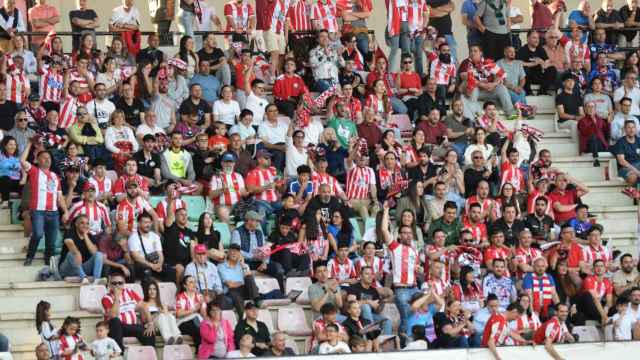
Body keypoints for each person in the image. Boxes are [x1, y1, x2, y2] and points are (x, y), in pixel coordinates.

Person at [21, 143, 68, 266]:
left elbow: (60, 197)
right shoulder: (35, 172)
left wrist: (66, 211)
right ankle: (30, 256)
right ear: (37, 160)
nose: (47, 159)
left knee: (51, 241)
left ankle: (48, 263)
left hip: (54, 212)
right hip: (38, 211)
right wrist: (30, 144)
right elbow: (22, 160)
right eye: (44, 157)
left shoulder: (55, 176)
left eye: (49, 158)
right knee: (37, 234)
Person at [102, 271, 155, 351]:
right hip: (117, 327)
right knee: (115, 321)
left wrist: (150, 323)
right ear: (110, 285)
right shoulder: (106, 298)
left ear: (124, 284)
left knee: (149, 333)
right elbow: (113, 315)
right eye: (114, 283)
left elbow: (144, 306)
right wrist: (116, 298)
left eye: (120, 283)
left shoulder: (129, 292)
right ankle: (120, 351)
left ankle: (150, 355)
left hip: (132, 326)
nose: (117, 285)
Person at [58, 214, 104, 284]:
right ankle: (84, 278)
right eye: (82, 223)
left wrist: (85, 235)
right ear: (76, 224)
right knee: (72, 254)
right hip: (67, 268)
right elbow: (69, 243)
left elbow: (94, 252)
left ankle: (96, 279)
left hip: (82, 268)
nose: (85, 225)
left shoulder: (90, 236)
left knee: (99, 255)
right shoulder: (69, 232)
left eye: (87, 223)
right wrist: (76, 253)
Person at [218, 244, 261, 317]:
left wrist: (243, 265)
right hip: (231, 291)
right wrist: (241, 283)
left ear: (239, 254)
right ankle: (242, 317)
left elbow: (250, 279)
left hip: (244, 290)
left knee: (249, 277)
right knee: (235, 293)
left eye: (236, 251)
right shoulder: (221, 266)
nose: (234, 253)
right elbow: (230, 285)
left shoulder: (243, 265)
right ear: (228, 253)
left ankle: (256, 300)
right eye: (232, 251)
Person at [141, 280, 183, 345]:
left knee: (170, 316)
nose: (152, 291)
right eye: (150, 289)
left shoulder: (162, 304)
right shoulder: (144, 304)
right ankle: (168, 338)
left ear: (157, 291)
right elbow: (144, 320)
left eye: (154, 289)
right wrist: (158, 313)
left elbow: (167, 316)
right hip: (152, 326)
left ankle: (177, 336)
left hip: (164, 325)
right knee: (161, 316)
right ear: (146, 291)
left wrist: (164, 311)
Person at [176, 275, 207, 348]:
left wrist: (202, 305)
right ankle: (202, 350)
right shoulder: (181, 297)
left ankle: (200, 349)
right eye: (191, 282)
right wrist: (193, 310)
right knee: (198, 327)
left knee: (199, 327)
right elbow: (179, 314)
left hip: (197, 322)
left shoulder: (199, 297)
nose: (194, 284)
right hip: (183, 323)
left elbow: (204, 316)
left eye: (195, 282)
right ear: (185, 286)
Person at [612, 120, 640, 189]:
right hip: (625, 168)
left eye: (633, 127)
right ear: (625, 129)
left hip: (638, 165)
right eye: (629, 128)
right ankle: (632, 195)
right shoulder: (621, 142)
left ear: (635, 129)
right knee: (633, 177)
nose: (631, 130)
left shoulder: (639, 140)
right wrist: (636, 171)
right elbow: (621, 161)